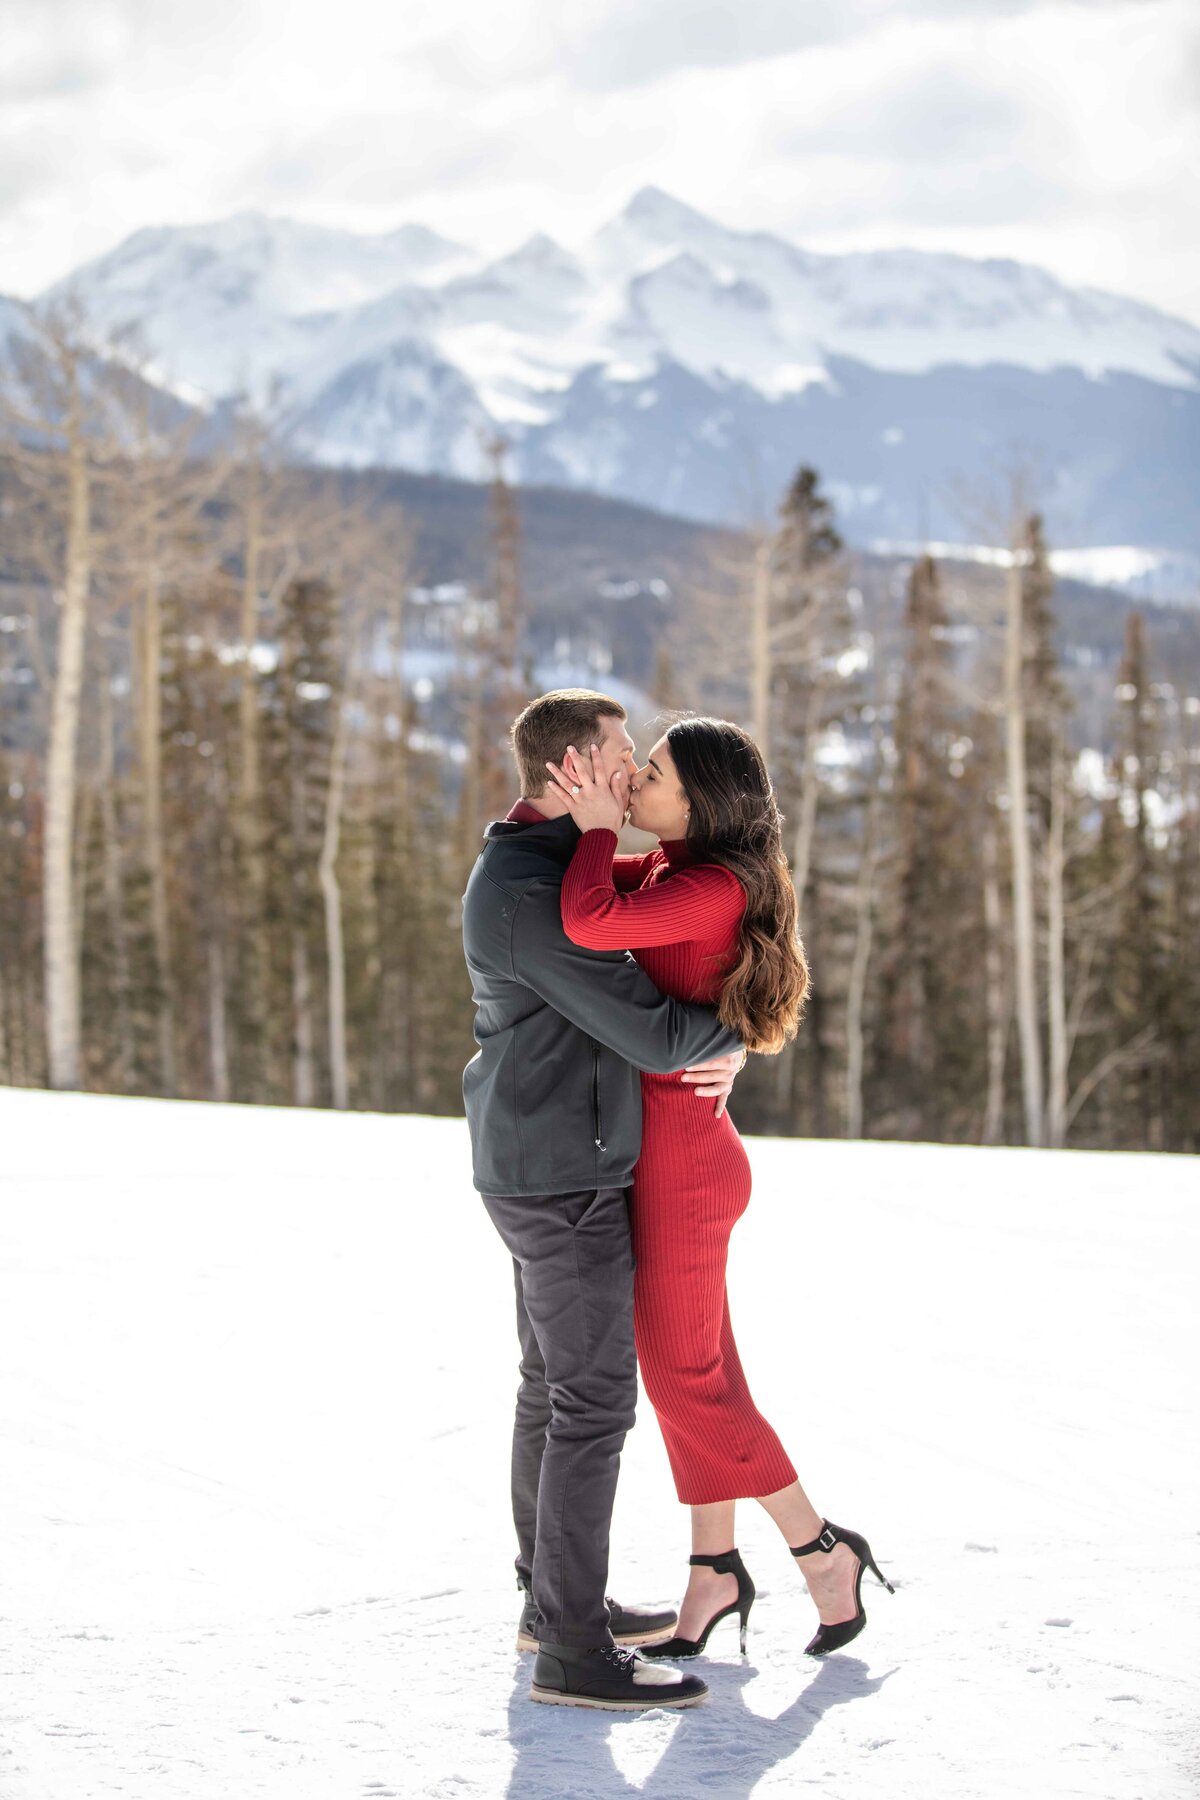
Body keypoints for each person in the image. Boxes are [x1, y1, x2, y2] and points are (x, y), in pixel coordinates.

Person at [548, 715, 894, 1661]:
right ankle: (713, 1572)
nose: (634, 787)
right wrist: (580, 823)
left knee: (685, 1381)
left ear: (695, 799)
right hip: (673, 1153)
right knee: (697, 1378)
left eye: (646, 774)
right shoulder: (676, 869)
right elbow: (569, 899)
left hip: (686, 1169)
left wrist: (590, 830)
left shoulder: (709, 886)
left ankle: (823, 1553)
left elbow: (586, 919)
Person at [461, 689, 746, 1712]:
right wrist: (747, 1028)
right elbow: (659, 1036)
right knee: (591, 1403)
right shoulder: (533, 891)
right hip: (561, 1173)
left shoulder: (535, 863)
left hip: (542, 1157)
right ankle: (574, 1652)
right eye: (624, 755)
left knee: (551, 1388)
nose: (633, 774)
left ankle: (553, 1605)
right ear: (575, 766)